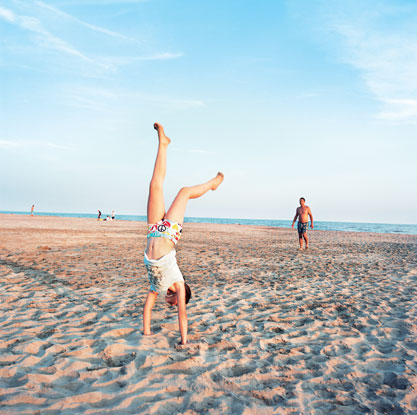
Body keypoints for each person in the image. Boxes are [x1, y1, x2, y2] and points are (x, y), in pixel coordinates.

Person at [143, 122, 224, 346]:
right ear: (181, 298)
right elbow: (183, 315)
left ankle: (163, 144)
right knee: (184, 192)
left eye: (170, 303)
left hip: (153, 230)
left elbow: (147, 308)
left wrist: (147, 333)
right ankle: (213, 184)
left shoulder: (156, 286)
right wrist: (184, 341)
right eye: (174, 303)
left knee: (154, 185)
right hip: (169, 233)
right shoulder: (178, 284)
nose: (170, 303)